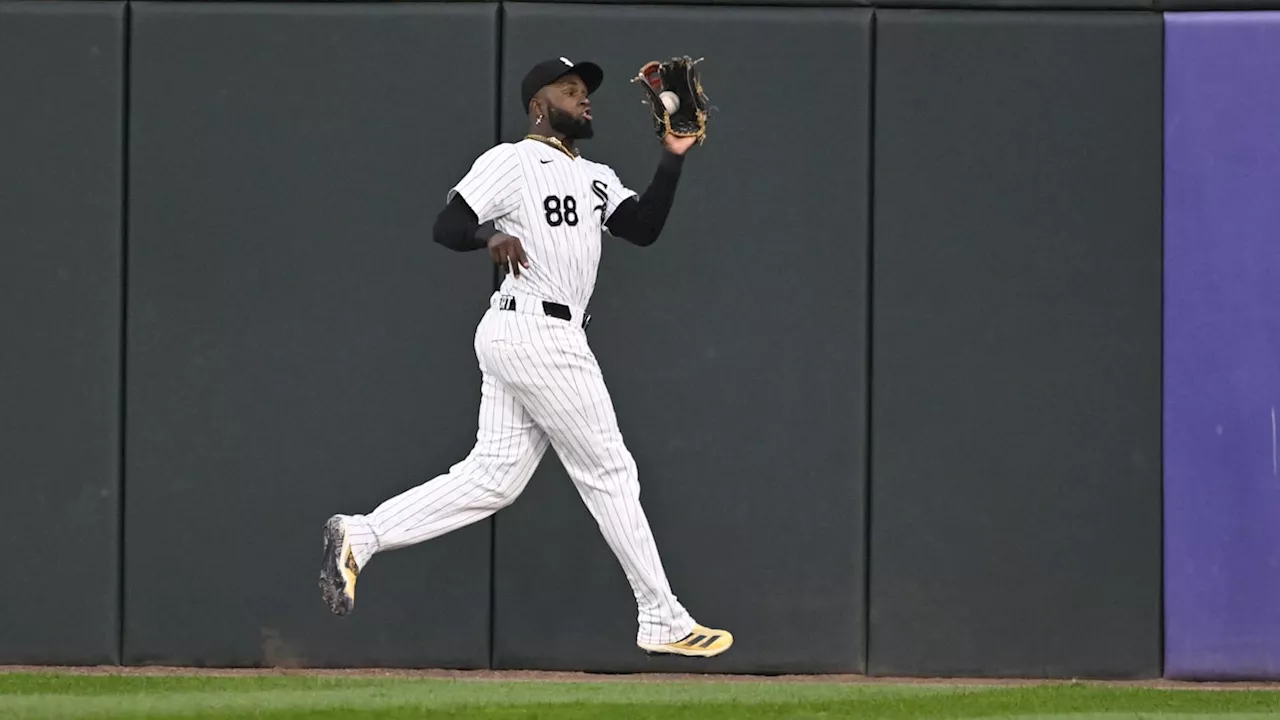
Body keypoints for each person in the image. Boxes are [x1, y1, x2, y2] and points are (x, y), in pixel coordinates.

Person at [318, 57, 732, 658]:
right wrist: (490, 237)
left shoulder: (596, 175)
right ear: (539, 105)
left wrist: (672, 155)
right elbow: (448, 224)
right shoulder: (511, 160)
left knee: (492, 479)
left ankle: (362, 533)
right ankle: (661, 617)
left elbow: (642, 228)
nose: (584, 98)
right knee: (610, 472)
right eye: (569, 90)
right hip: (538, 332)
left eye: (586, 90)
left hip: (533, 337)